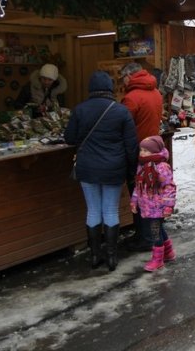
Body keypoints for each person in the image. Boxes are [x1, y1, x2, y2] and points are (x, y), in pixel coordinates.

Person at [64, 71, 138, 272]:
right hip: (113, 168)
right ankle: (112, 257)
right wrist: (131, 170)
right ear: (109, 89)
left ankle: (95, 255)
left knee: (93, 210)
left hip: (87, 168)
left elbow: (70, 138)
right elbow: (131, 146)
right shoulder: (121, 111)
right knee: (111, 210)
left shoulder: (79, 110)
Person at [120, 62, 164, 252]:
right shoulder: (156, 93)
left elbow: (122, 127)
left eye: (122, 78)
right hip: (153, 150)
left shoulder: (131, 98)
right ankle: (153, 235)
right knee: (151, 194)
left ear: (129, 76)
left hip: (138, 152)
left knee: (138, 196)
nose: (122, 81)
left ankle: (144, 238)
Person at [130, 135, 177, 272]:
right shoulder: (142, 167)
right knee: (159, 229)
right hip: (146, 206)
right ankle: (168, 253)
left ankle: (158, 260)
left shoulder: (162, 167)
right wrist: (134, 201)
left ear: (155, 151)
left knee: (155, 232)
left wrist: (168, 206)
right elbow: (138, 186)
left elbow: (169, 187)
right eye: (141, 150)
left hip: (158, 206)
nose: (142, 153)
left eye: (146, 150)